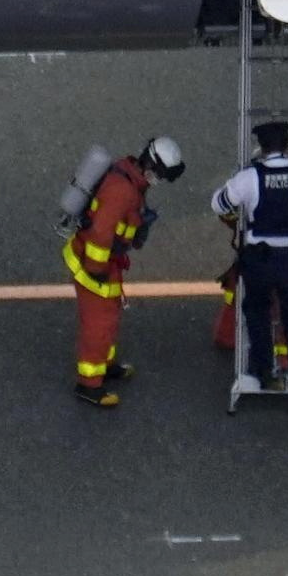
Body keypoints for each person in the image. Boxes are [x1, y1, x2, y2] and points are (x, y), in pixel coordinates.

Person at [211, 118, 288, 416]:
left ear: (261, 149)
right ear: (287, 146)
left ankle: (263, 371)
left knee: (257, 313)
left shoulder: (249, 178)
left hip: (261, 261)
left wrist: (236, 180)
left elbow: (219, 204)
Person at [61, 135, 184, 408]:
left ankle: (104, 364)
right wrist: (97, 270)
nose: (160, 180)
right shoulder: (124, 191)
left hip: (107, 263)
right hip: (94, 266)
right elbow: (101, 233)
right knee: (99, 323)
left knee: (111, 315)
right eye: (162, 174)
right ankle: (89, 384)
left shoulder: (129, 175)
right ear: (154, 166)